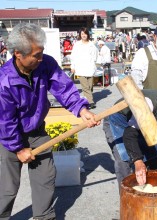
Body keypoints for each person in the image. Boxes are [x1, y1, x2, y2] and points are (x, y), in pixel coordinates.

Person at [0, 23, 100, 220]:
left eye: (42, 52)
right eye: (36, 55)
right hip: (9, 137)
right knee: (7, 187)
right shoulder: (4, 81)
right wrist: (19, 148)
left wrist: (81, 109)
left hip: (37, 131)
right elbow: (5, 121)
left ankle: (44, 216)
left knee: (45, 178)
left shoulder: (45, 63)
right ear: (18, 54)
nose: (40, 58)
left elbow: (63, 87)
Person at [70, 27, 98, 109]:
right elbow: (73, 56)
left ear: (87, 34)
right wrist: (73, 66)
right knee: (85, 86)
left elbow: (95, 55)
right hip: (80, 68)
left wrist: (93, 62)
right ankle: (90, 102)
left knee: (90, 86)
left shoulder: (91, 44)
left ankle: (87, 98)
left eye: (85, 34)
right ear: (80, 35)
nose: (84, 35)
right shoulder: (77, 44)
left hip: (90, 68)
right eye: (82, 34)